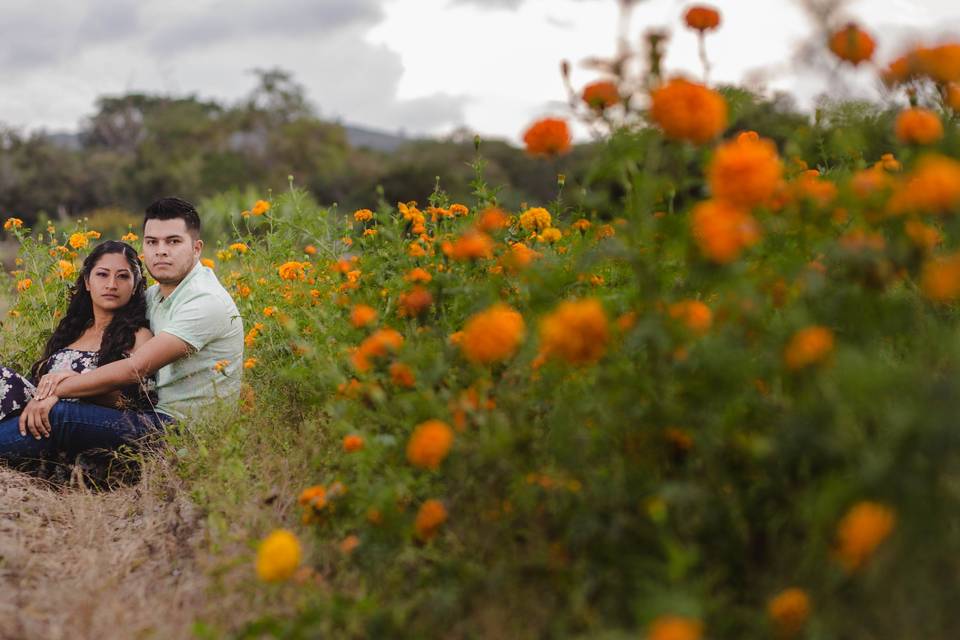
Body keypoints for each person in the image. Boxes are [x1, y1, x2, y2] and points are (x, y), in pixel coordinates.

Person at [0, 197, 244, 463]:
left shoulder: (205, 301)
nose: (161, 251)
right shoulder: (154, 297)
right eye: (152, 242)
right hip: (153, 418)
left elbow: (135, 369)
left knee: (60, 415)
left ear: (196, 248)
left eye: (173, 241)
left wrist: (58, 387)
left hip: (181, 430)